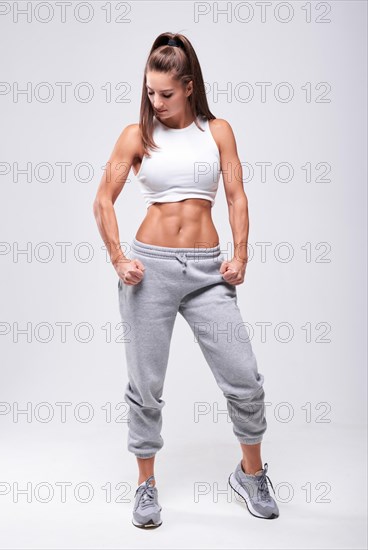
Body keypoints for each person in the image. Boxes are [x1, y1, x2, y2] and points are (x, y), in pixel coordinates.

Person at [93, 32, 279, 528]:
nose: (157, 102)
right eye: (150, 92)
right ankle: (146, 485)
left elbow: (237, 197)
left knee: (244, 378)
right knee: (146, 386)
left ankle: (250, 473)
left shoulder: (216, 131)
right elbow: (102, 201)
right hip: (148, 268)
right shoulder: (136, 136)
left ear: (189, 86)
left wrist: (241, 256)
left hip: (206, 271)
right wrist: (118, 259)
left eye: (167, 93)